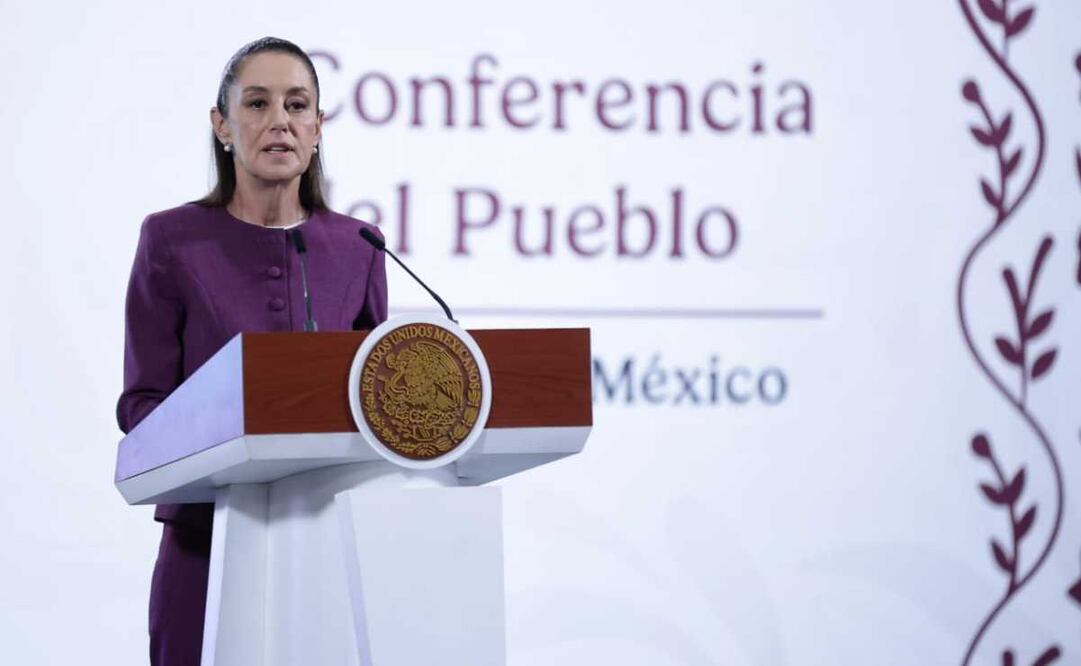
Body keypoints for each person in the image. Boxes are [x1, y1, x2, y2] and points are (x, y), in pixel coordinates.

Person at [116, 37, 387, 665]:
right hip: (205, 541)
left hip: (327, 539)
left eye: (297, 106)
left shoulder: (360, 245)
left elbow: (380, 402)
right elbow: (141, 406)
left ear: (318, 128)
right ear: (223, 126)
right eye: (257, 104)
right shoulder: (171, 240)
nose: (279, 123)